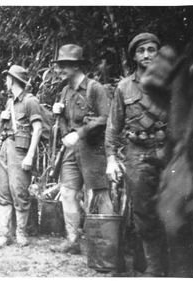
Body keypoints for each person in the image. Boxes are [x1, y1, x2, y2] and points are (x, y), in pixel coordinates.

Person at [105, 33, 168, 276]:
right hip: (137, 154)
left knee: (171, 209)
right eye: (141, 51)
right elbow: (113, 126)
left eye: (152, 50)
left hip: (167, 152)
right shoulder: (124, 87)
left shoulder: (170, 84)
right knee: (142, 210)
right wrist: (111, 158)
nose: (147, 55)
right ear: (134, 56)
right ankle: (154, 267)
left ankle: (172, 266)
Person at [50, 44, 113, 254]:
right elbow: (64, 124)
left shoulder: (95, 88)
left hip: (93, 149)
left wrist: (80, 133)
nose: (60, 70)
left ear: (76, 66)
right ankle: (73, 240)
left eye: (64, 65)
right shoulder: (65, 91)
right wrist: (56, 113)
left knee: (100, 195)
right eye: (59, 65)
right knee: (68, 193)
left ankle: (109, 246)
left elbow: (106, 118)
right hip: (71, 151)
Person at [0, 65, 42, 247]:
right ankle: (4, 233)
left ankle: (21, 233)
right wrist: (3, 119)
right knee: (3, 192)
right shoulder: (9, 103)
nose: (6, 82)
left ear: (13, 80)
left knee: (20, 191)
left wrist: (30, 156)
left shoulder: (30, 101)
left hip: (20, 152)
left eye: (7, 78)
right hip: (5, 150)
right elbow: (3, 130)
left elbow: (37, 130)